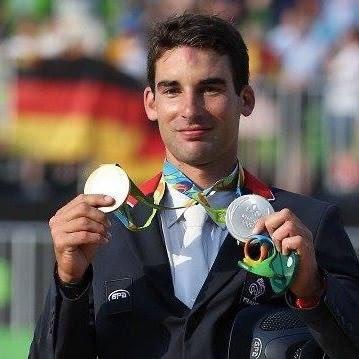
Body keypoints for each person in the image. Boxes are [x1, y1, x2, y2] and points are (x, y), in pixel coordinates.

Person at [29, 13, 359, 358]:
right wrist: (69, 285)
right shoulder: (101, 230)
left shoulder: (306, 227)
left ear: (245, 99)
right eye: (172, 90)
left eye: (210, 88)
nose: (190, 109)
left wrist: (313, 289)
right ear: (151, 104)